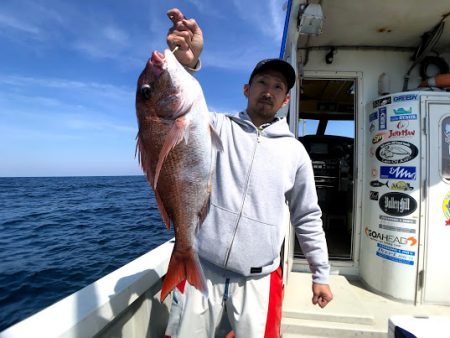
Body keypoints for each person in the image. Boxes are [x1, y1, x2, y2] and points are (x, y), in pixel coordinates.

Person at [164, 8, 333, 338]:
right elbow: (178, 111)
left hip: (259, 279)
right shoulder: (217, 126)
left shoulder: (295, 152)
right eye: (261, 83)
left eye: (278, 86)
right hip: (202, 266)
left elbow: (308, 216)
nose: (268, 91)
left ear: (285, 100)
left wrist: (320, 273)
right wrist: (186, 64)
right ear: (246, 89)